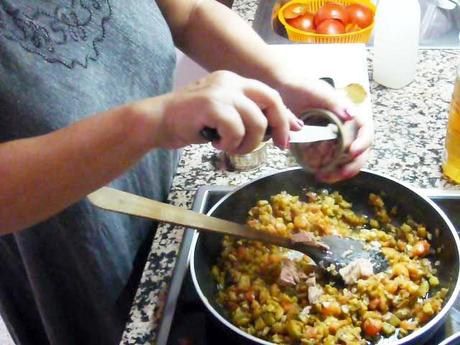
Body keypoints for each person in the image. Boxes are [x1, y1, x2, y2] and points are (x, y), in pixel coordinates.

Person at [0, 0, 373, 344]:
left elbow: (190, 12)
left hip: (161, 190)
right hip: (65, 249)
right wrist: (152, 122)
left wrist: (284, 82)